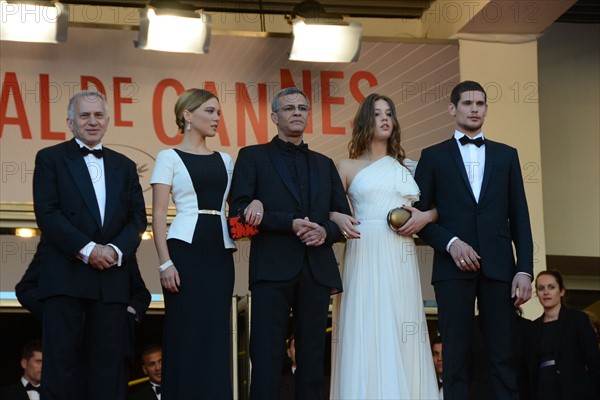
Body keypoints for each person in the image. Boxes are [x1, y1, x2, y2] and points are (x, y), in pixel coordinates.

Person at [413, 80, 534, 400]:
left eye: (480, 103)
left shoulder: (507, 155)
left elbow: (520, 217)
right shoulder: (433, 156)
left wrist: (525, 269)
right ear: (452, 108)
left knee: (503, 355)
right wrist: (451, 242)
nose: (474, 109)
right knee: (454, 355)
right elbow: (419, 218)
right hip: (452, 268)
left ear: (486, 109)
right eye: (467, 103)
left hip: (500, 268)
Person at [230, 87, 351, 399]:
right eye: (288, 108)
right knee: (267, 357)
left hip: (316, 269)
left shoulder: (325, 164)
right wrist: (288, 222)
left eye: (302, 108)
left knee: (312, 360)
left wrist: (325, 231)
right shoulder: (252, 156)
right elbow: (237, 221)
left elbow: (344, 221)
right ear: (274, 116)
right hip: (271, 270)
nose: (297, 112)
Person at [32, 91, 147, 400]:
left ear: (108, 121)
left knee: (108, 371)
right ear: (71, 122)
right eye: (85, 116)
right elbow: (48, 213)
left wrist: (114, 251)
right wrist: (89, 250)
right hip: (66, 279)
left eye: (98, 115)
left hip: (110, 282)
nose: (92, 121)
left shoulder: (125, 165)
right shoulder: (50, 158)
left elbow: (138, 218)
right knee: (61, 370)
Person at [328, 93, 439, 399]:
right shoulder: (346, 166)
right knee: (364, 323)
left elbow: (439, 207)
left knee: (402, 320)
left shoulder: (410, 166)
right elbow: (326, 207)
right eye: (377, 114)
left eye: (389, 113)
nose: (385, 118)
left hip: (399, 250)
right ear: (366, 120)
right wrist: (337, 215)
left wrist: (426, 216)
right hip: (364, 248)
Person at [151, 88, 241, 399]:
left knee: (216, 332)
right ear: (188, 116)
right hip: (184, 252)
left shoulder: (226, 159)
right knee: (185, 332)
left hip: (219, 252)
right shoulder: (168, 156)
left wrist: (255, 204)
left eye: (218, 112)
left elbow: (238, 206)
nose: (217, 118)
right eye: (210, 111)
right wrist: (165, 262)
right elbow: (159, 214)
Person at [525, 270, 600, 399]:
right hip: (542, 392)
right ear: (537, 293)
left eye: (551, 287)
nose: (546, 292)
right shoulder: (533, 327)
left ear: (561, 291)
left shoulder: (577, 320)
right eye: (541, 288)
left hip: (575, 391)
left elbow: (594, 361)